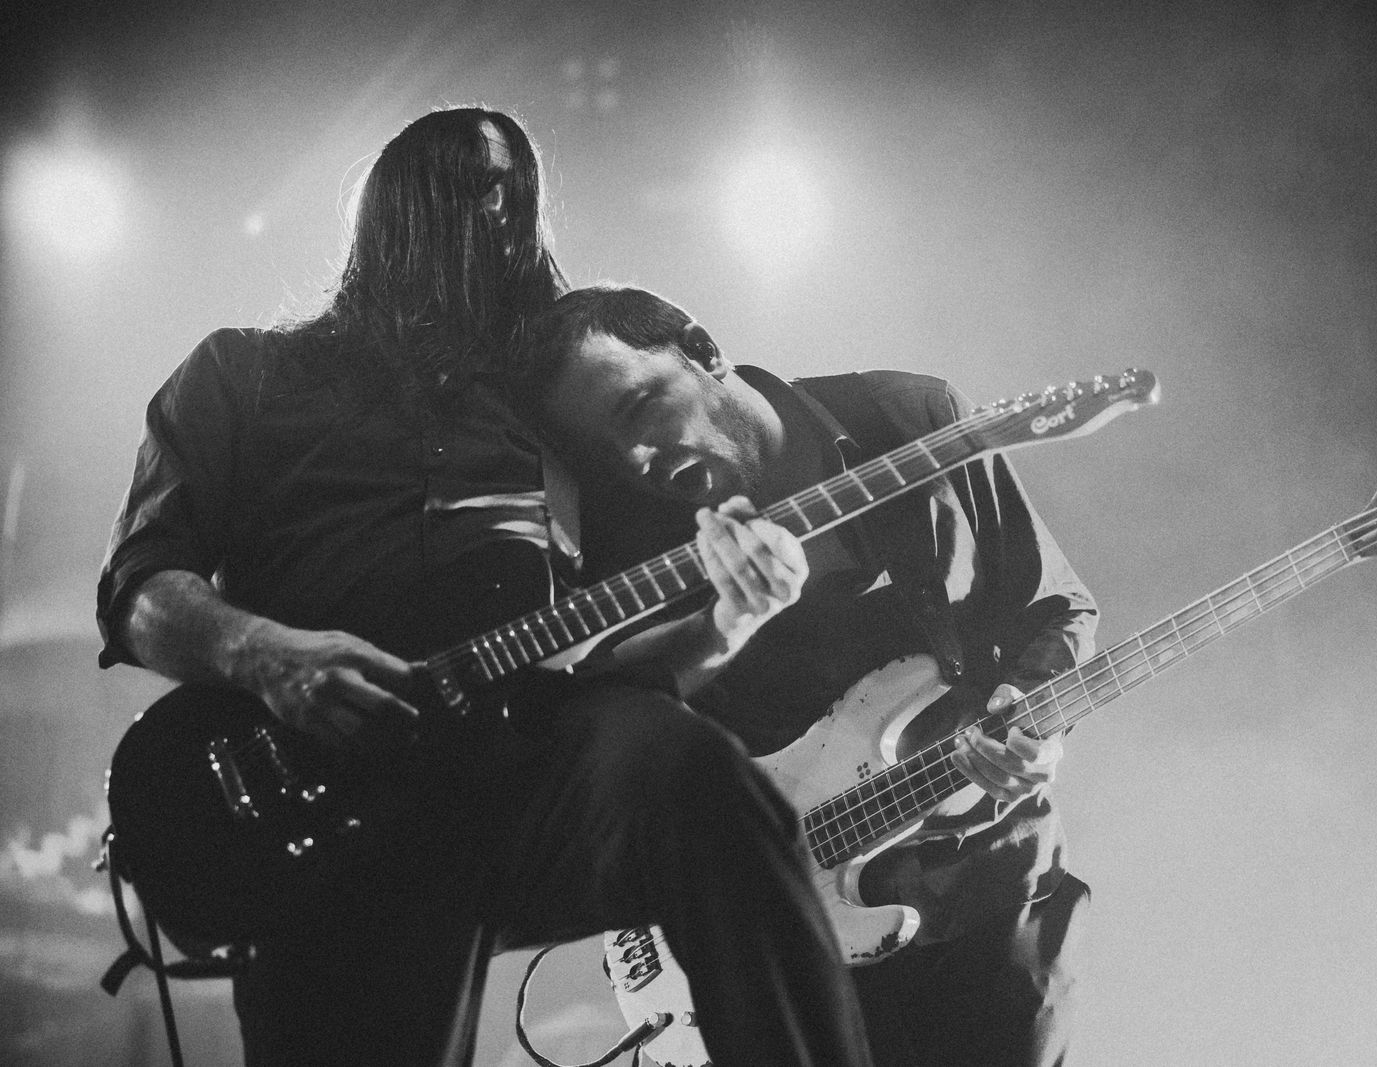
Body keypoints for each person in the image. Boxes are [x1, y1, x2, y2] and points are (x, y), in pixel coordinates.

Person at [96, 109, 873, 1067]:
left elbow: (613, 668)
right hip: (321, 805)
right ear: (390, 207)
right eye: (470, 186)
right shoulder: (242, 373)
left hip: (520, 775)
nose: (499, 216)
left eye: (516, 198)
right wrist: (265, 656)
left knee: (695, 774)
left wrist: (726, 620)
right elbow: (138, 589)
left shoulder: (553, 427)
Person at [526, 284, 1100, 1067]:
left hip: (991, 887)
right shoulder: (633, 548)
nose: (634, 459)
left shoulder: (908, 418)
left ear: (701, 350)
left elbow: (1056, 605)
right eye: (604, 449)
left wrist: (1029, 714)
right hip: (795, 940)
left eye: (636, 409)